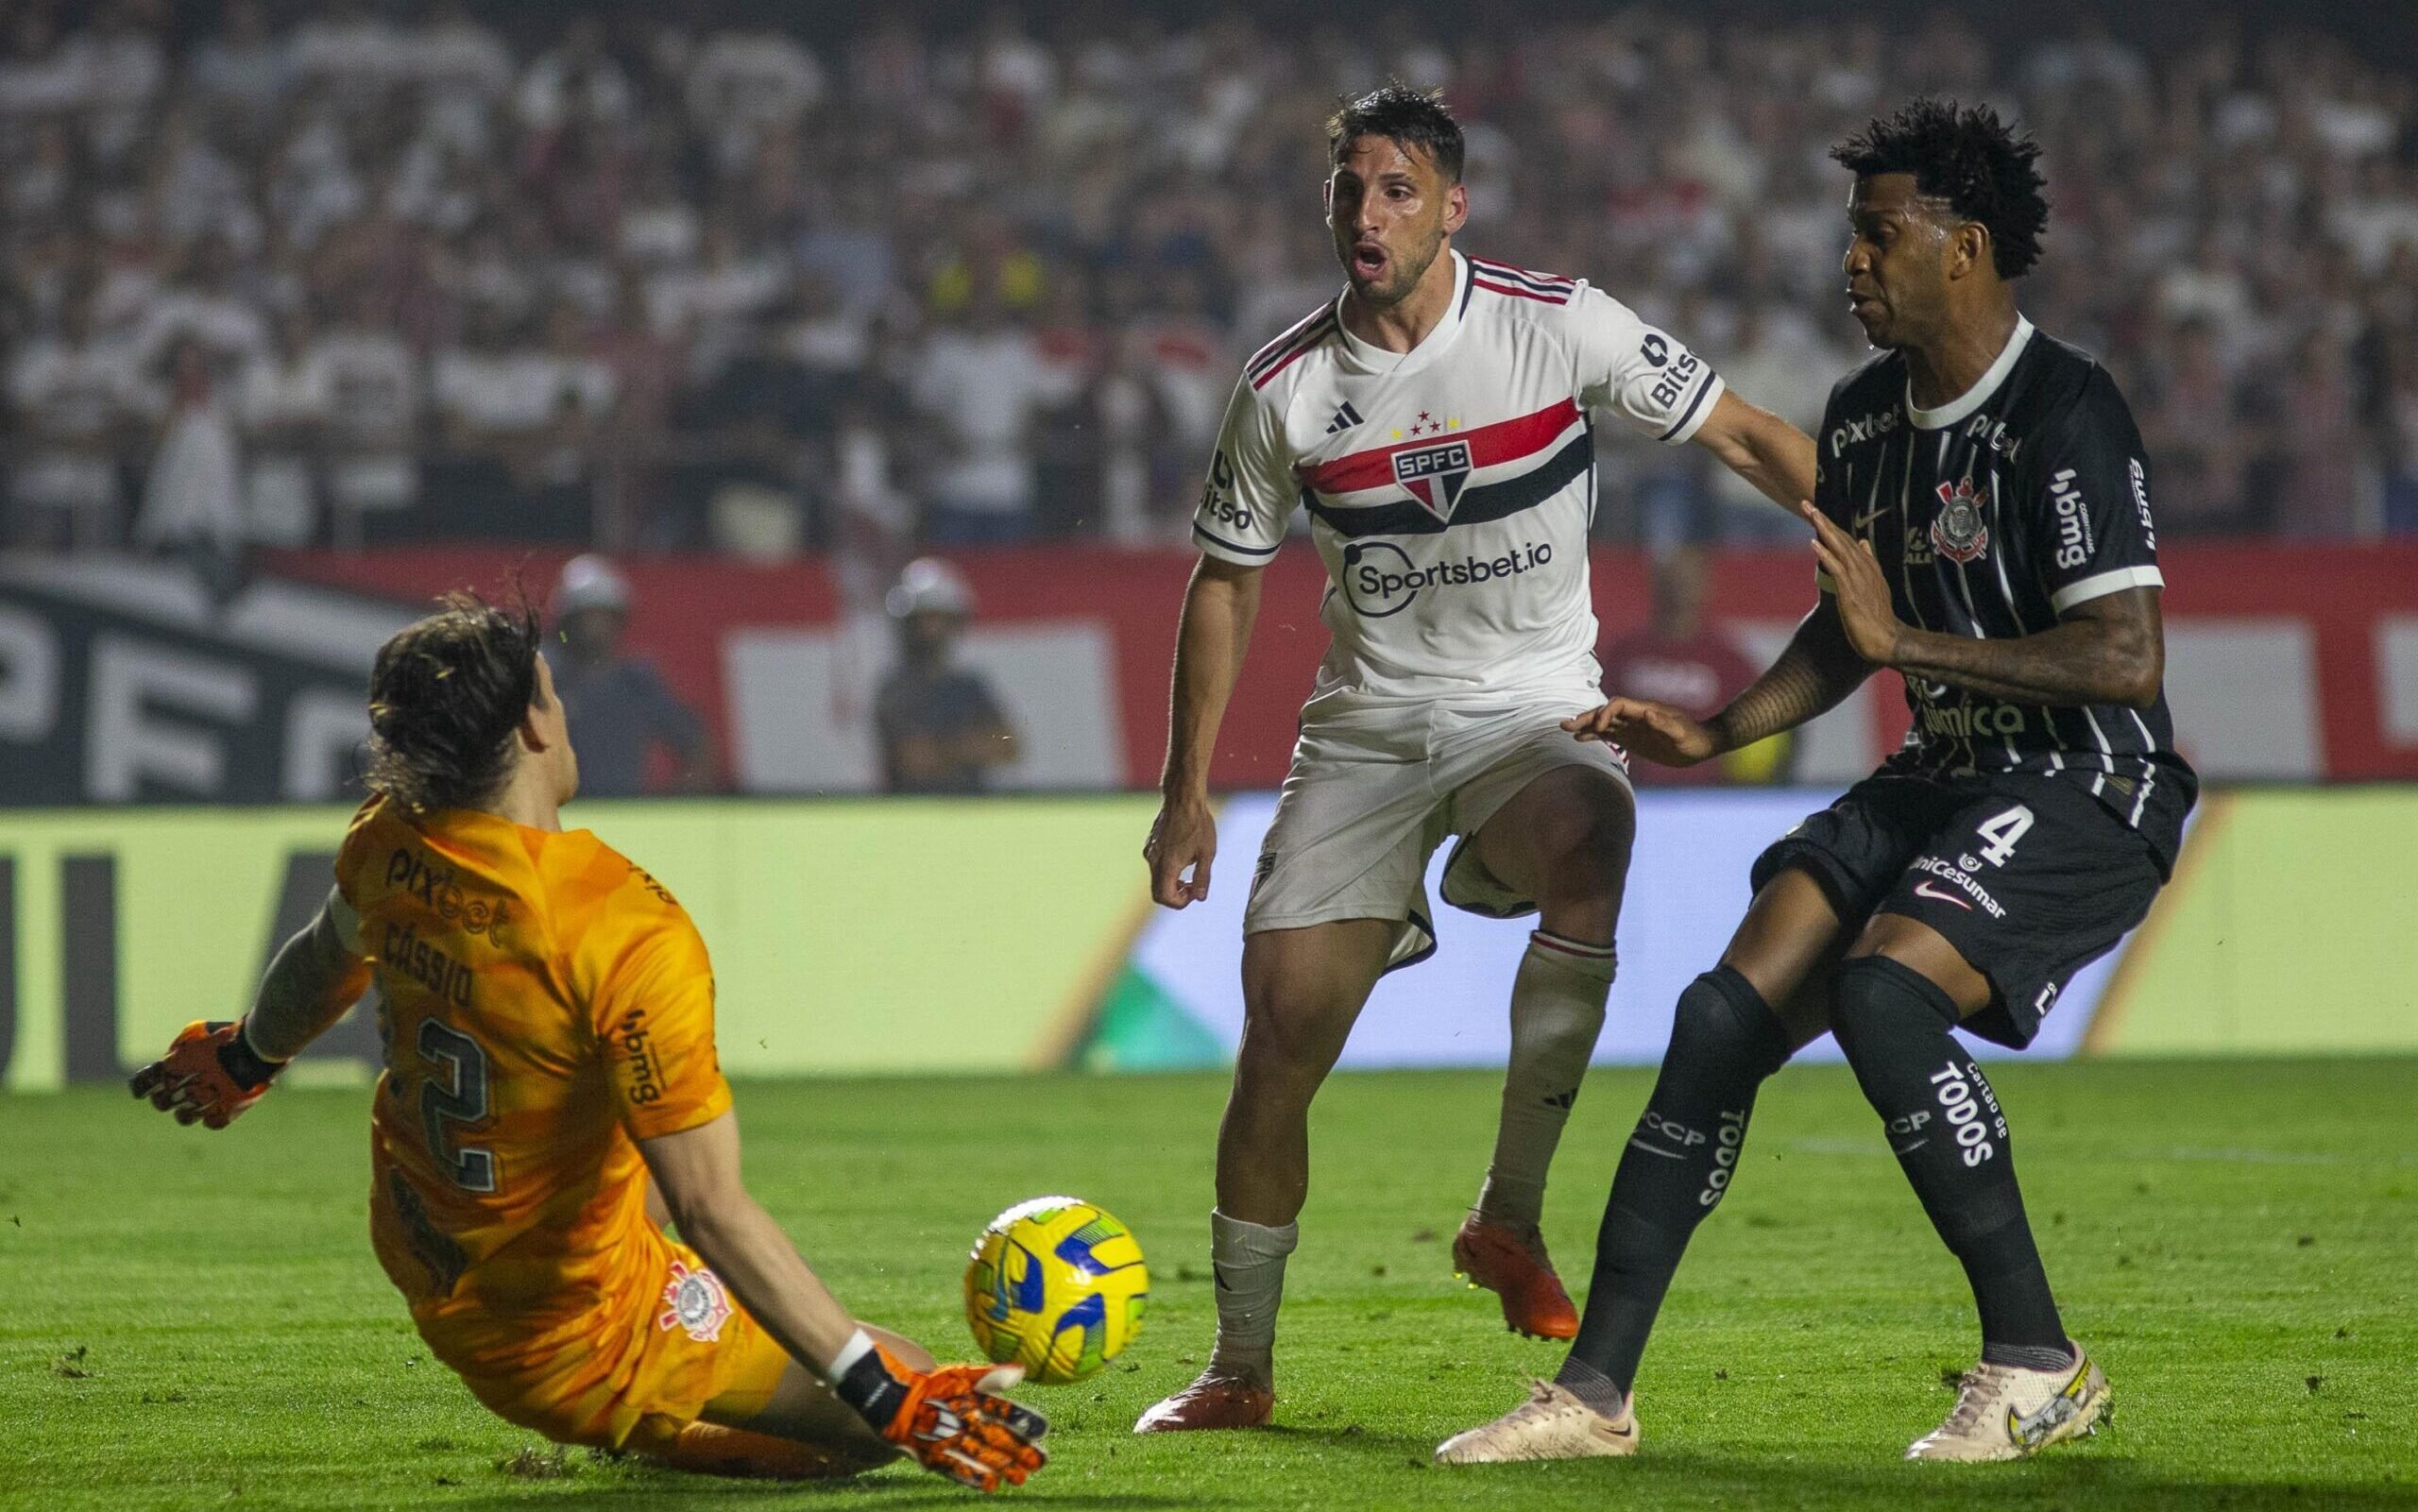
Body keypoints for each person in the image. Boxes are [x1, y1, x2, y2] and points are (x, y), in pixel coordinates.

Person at [1439, 98, 2194, 1467]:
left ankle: (2038, 1359)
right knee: (1720, 1019)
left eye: (1878, 234)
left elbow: (2128, 655)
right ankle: (1591, 1396)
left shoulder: (2064, 409)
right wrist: (1722, 729)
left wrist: (1907, 642)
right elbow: (1849, 636)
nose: (1851, 260)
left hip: (2091, 779)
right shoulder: (1860, 422)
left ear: (1964, 249)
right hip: (1943, 776)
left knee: (1885, 995)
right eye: (1851, 233)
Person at [1137, 85, 1816, 1433]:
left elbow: (1740, 429)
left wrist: (1867, 539)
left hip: (1531, 710)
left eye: (1396, 191)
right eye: (1348, 192)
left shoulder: (1556, 322)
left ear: (1454, 205)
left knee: (1594, 839)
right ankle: (1240, 1369)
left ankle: (1508, 1215)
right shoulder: (1286, 388)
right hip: (1369, 730)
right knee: (1279, 1036)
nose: (1366, 217)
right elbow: (1223, 584)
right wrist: (1184, 789)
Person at [128, 594, 1046, 1492]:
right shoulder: (619, 927)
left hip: (427, 1250)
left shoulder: (389, 841)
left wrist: (250, 1054)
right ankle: (657, 1420)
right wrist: (885, 1394)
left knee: (610, 1109)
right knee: (892, 1375)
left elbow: (324, 956)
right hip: (573, 1335)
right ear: (532, 726)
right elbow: (711, 1209)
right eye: (554, 694)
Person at [1596, 545, 1787, 786]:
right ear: (1655, 582)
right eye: (1672, 579)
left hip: (1707, 799)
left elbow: (1761, 724)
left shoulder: (1729, 661)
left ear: (1706, 584)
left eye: (1687, 579)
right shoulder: (1622, 654)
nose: (1679, 589)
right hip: (1633, 792)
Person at [551, 554, 716, 796]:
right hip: (563, 816)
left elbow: (697, 749)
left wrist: (665, 806)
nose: (594, 627)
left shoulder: (637, 683)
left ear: (619, 621)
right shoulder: (545, 681)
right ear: (566, 623)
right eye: (585, 616)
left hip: (626, 818)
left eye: (603, 615)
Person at [874, 557, 1019, 793]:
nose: (934, 630)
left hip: (973, 810)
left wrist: (944, 749)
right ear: (908, 625)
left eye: (942, 619)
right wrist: (970, 746)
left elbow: (1009, 747)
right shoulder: (895, 689)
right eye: (926, 619)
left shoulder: (969, 684)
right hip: (913, 812)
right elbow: (915, 760)